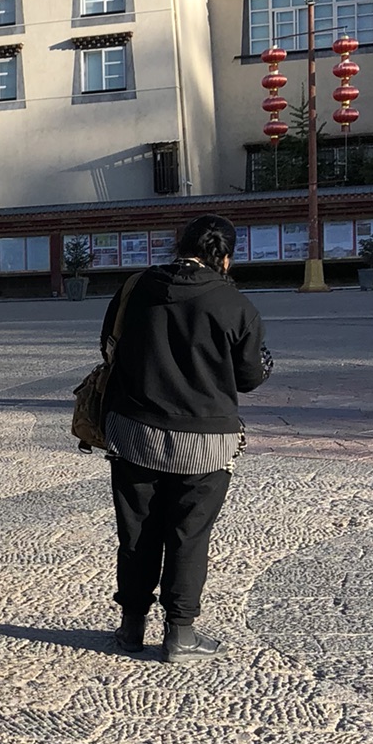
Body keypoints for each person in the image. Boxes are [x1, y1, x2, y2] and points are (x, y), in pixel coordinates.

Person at [99, 214, 269, 664]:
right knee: (188, 535)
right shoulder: (236, 305)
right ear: (226, 258)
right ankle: (181, 633)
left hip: (135, 433)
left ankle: (131, 627)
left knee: (137, 533)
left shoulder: (135, 288)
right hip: (206, 442)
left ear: (179, 245)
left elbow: (107, 347)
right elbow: (250, 377)